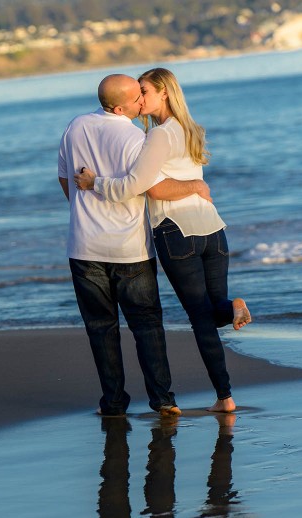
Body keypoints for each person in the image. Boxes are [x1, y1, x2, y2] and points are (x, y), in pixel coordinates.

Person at [74, 68, 251, 413]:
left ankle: (226, 398)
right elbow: (186, 181)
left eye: (144, 91)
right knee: (213, 313)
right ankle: (233, 311)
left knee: (201, 319)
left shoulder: (157, 137)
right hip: (213, 230)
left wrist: (94, 182)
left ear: (164, 94)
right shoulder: (191, 130)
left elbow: (137, 187)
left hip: (175, 232)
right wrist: (195, 187)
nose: (140, 99)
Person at [57, 74, 209, 417]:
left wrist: (82, 212)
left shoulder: (74, 127)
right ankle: (163, 400)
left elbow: (65, 178)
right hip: (130, 248)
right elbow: (153, 188)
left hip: (83, 246)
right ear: (120, 106)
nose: (143, 101)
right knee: (147, 326)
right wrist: (195, 187)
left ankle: (113, 403)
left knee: (101, 329)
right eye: (137, 97)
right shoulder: (135, 137)